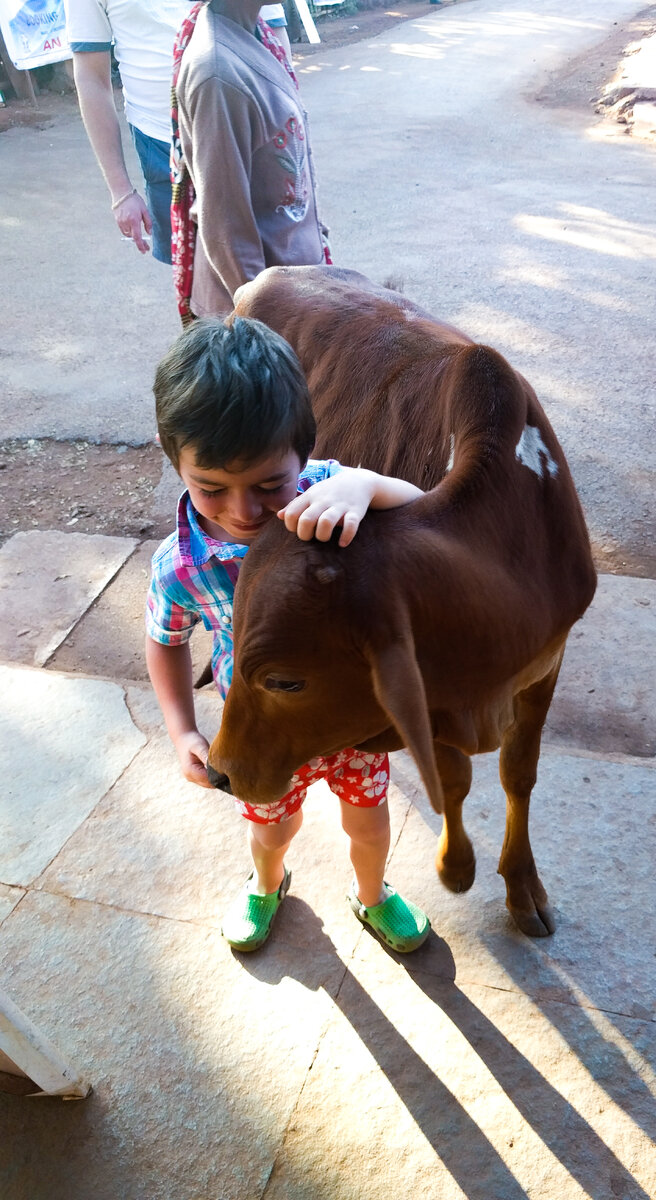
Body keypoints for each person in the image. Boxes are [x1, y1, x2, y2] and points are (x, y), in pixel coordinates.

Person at [145, 315, 431, 954]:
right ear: (174, 456)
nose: (245, 511)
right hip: (259, 730)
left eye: (270, 484)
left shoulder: (334, 495)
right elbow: (164, 640)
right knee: (271, 828)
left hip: (347, 722)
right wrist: (182, 728)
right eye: (211, 488)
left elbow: (426, 514)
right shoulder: (181, 567)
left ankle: (373, 894)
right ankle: (266, 883)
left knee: (369, 821)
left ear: (303, 450)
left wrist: (366, 484)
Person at [64, 0, 289, 262]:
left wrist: (287, 133)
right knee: (198, 281)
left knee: (283, 266)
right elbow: (91, 78)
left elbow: (275, 34)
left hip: (255, 132)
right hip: (162, 143)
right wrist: (120, 191)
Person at [171, 0, 329, 321]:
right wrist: (270, 331)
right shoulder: (218, 74)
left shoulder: (256, 35)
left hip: (294, 294)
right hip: (264, 314)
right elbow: (227, 232)